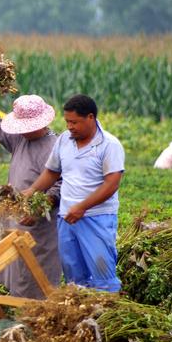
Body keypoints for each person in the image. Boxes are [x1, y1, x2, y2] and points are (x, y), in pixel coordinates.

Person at [22, 94, 125, 293]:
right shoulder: (64, 141)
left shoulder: (109, 145)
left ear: (90, 118)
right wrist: (33, 190)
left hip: (97, 218)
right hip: (67, 218)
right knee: (73, 276)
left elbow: (112, 184)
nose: (69, 126)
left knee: (102, 272)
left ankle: (104, 316)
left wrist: (82, 207)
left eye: (74, 122)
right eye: (67, 121)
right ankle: (78, 316)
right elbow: (52, 172)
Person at [0, 86, 62, 299]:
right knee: (14, 268)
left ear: (42, 124)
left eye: (27, 127)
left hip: (39, 225)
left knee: (34, 272)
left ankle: (33, 312)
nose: (23, 131)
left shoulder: (53, 147)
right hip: (17, 219)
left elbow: (61, 185)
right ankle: (15, 305)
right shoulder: (21, 140)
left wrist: (39, 208)